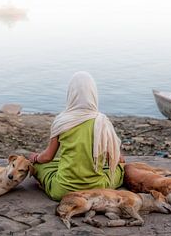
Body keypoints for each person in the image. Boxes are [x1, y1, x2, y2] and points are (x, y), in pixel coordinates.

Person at [29, 71, 125, 201]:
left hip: (62, 191)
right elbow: (113, 158)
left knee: (39, 165)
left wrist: (35, 158)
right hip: (97, 189)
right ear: (93, 94)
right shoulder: (102, 122)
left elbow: (47, 157)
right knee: (120, 168)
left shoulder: (61, 121)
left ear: (70, 94)